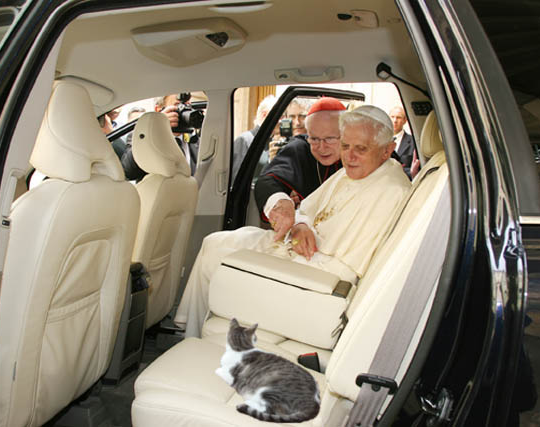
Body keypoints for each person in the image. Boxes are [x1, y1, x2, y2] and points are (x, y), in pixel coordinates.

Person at [175, 105, 411, 337]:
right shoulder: (350, 170)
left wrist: (298, 242)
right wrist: (300, 225)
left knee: (218, 252)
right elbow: (304, 209)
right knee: (214, 242)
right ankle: (192, 332)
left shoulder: (390, 190)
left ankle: (193, 336)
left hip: (314, 272)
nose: (348, 156)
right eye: (345, 145)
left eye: (360, 148)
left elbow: (346, 267)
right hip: (300, 248)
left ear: (387, 150)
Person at [255, 97, 345, 220]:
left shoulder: (357, 153)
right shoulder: (301, 147)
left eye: (329, 139)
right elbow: (267, 182)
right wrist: (280, 202)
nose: (322, 147)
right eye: (314, 139)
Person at [120, 94, 200, 180]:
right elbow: (129, 172)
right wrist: (157, 128)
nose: (185, 111)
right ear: (158, 110)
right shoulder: (143, 136)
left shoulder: (196, 139)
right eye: (178, 106)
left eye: (188, 106)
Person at [231, 95, 277, 185]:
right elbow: (237, 180)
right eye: (280, 116)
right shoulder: (244, 140)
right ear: (265, 115)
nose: (282, 121)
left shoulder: (275, 141)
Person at [389, 105, 420, 179]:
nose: (395, 120)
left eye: (398, 117)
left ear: (405, 120)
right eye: (392, 117)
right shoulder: (380, 141)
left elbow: (414, 170)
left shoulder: (414, 142)